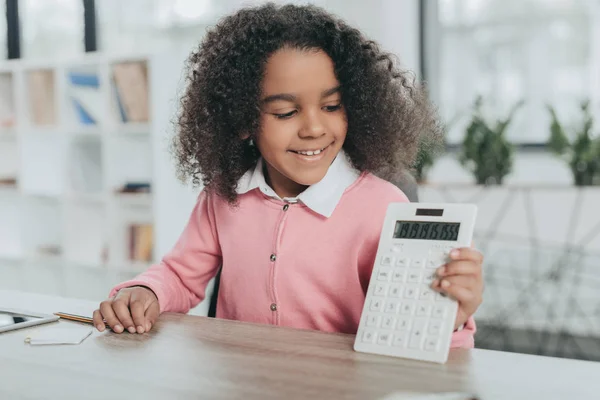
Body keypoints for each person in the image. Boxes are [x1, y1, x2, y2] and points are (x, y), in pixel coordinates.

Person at [93, 3, 483, 348]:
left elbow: (412, 333)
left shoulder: (382, 205)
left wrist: (448, 314)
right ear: (244, 120)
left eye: (332, 106)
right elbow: (180, 275)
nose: (314, 128)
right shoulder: (222, 195)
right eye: (285, 113)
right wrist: (147, 291)